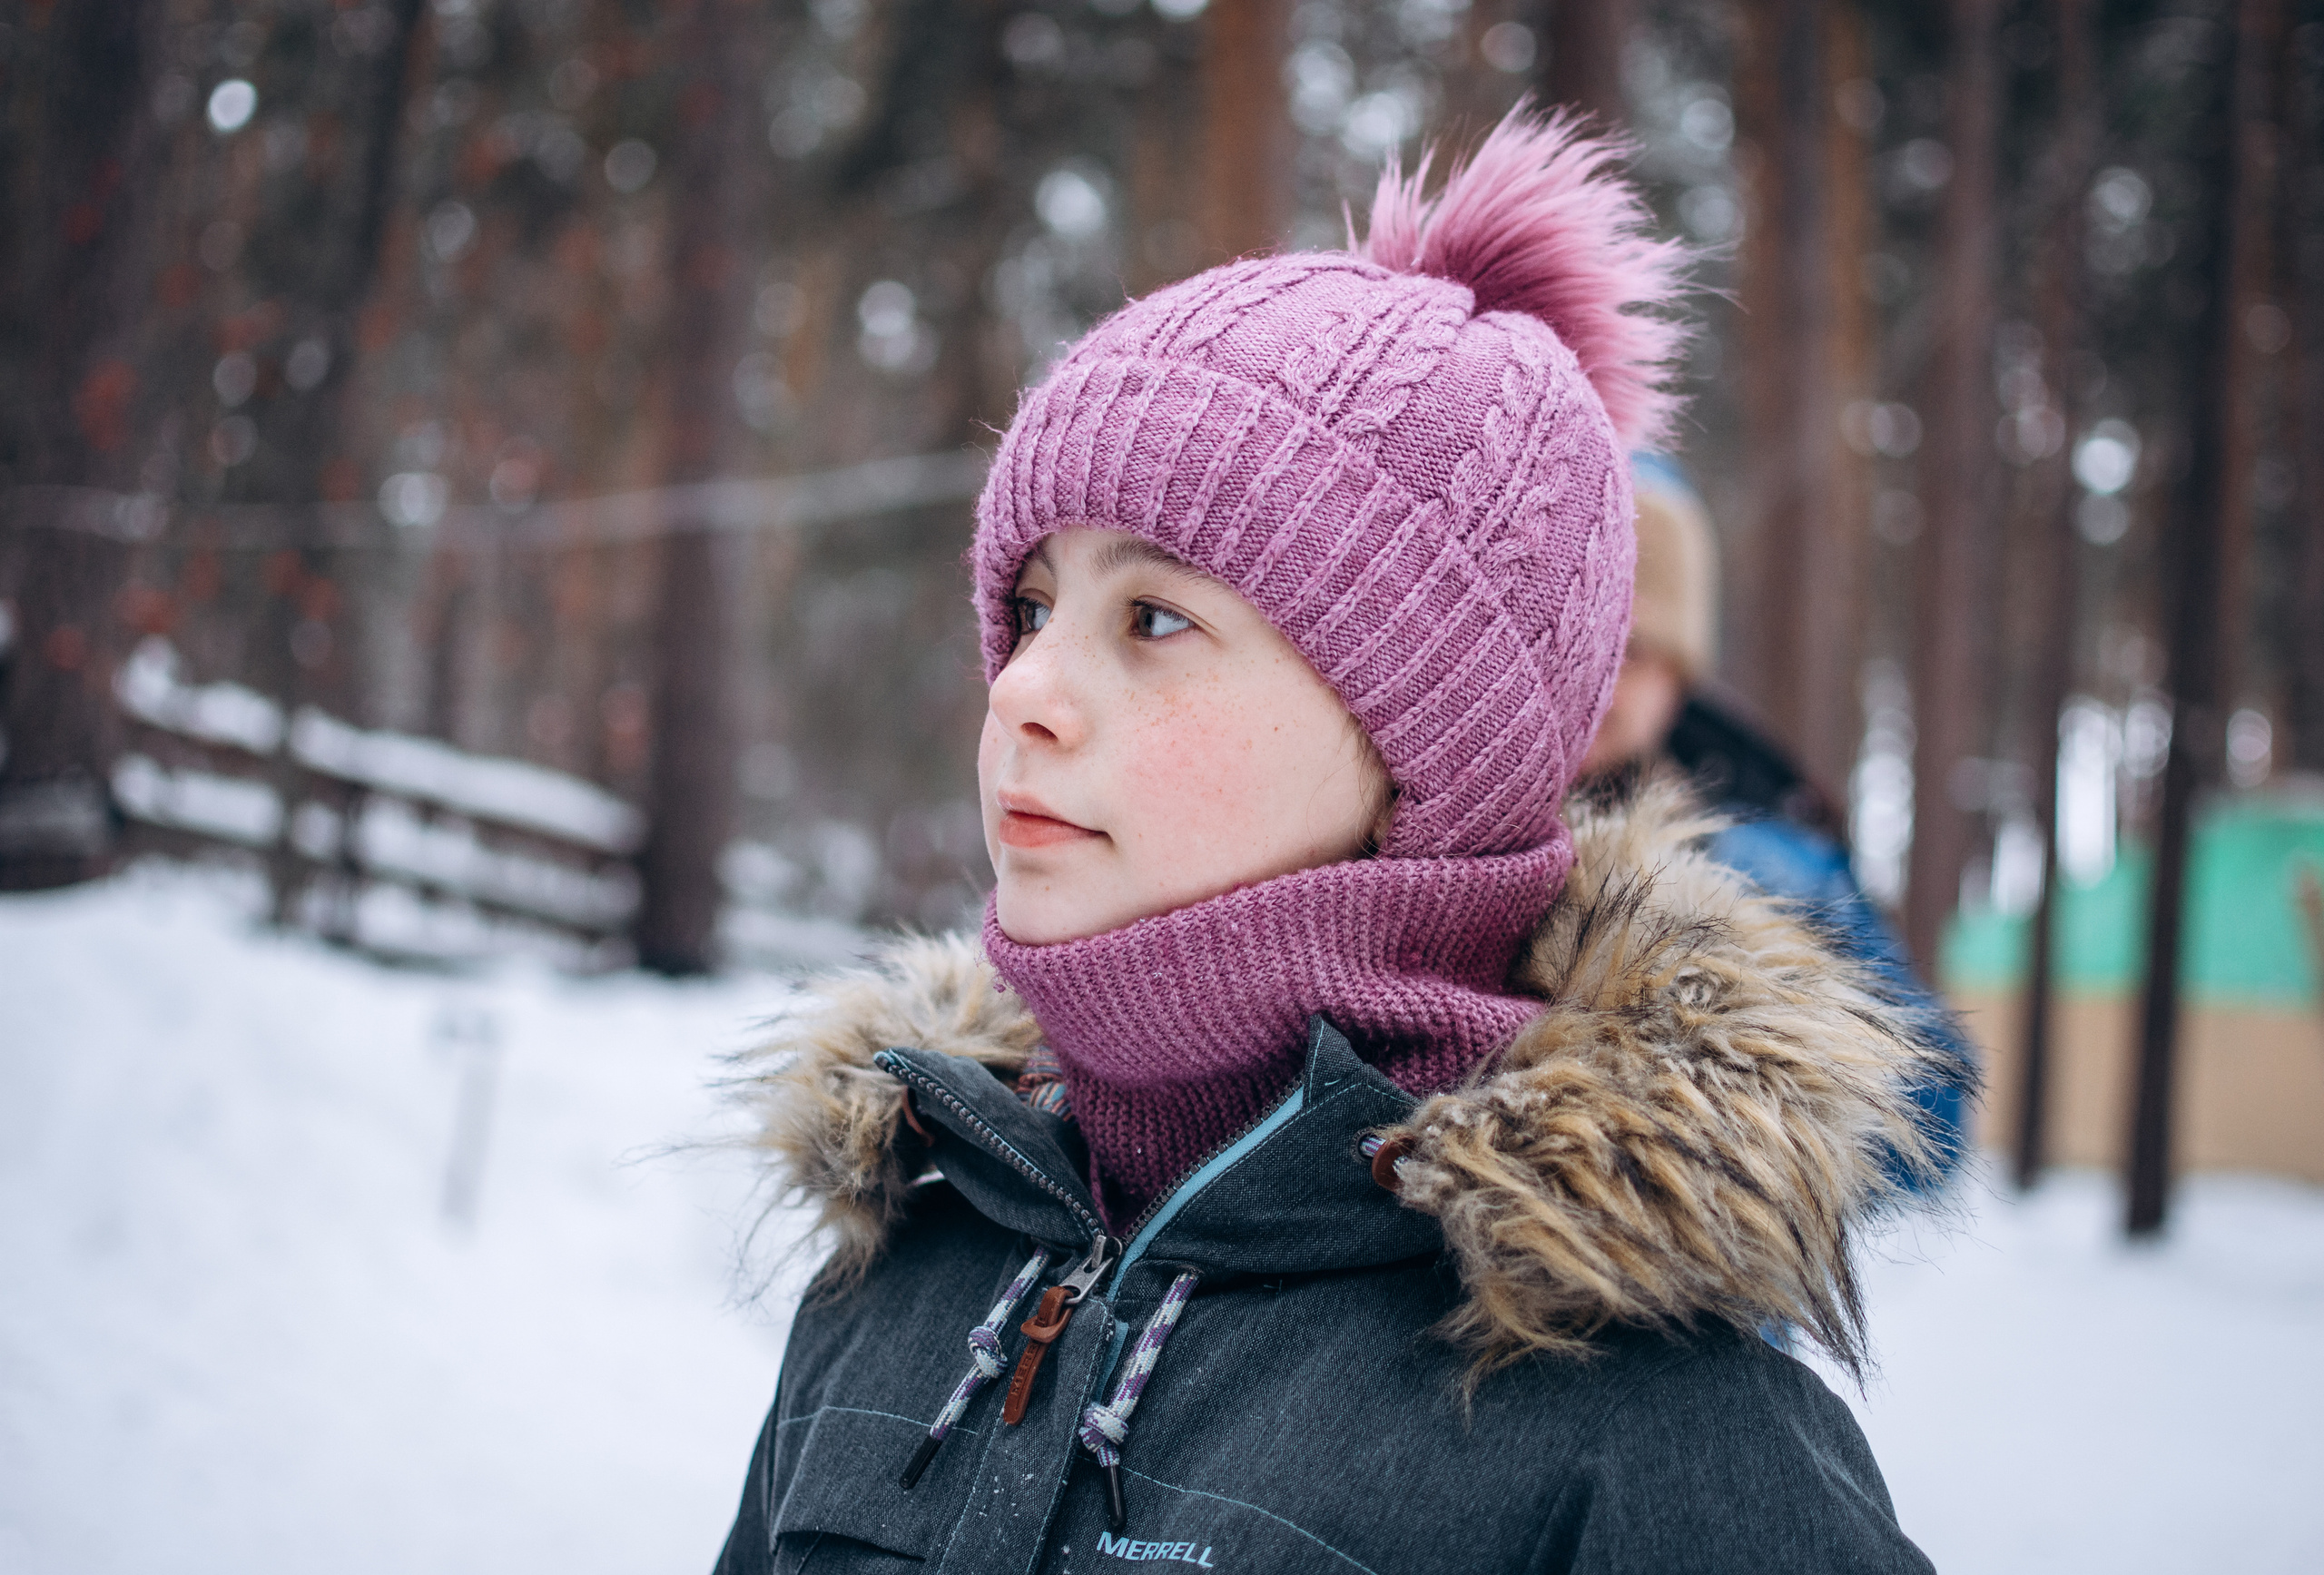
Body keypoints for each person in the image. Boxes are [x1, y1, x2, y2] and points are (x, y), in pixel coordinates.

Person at [714, 112, 1952, 1574]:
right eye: (1035, 606)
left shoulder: (1646, 1438)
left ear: (1425, 747)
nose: (1022, 689)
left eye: (1156, 618)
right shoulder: (905, 1265)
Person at [1578, 456, 1974, 1188]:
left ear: (1681, 672)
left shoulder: (1777, 862)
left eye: (1631, 651)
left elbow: (1935, 1114)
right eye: (1576, 643)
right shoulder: (1426, 826)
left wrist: (1752, 1122)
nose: (1601, 679)